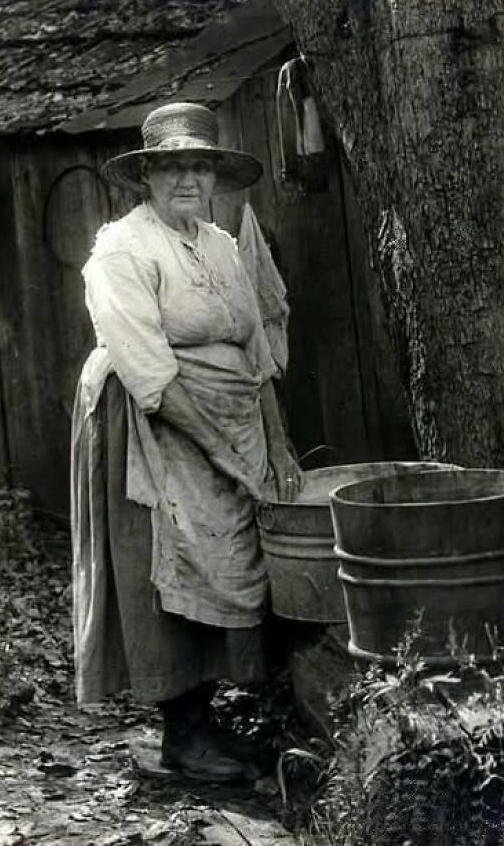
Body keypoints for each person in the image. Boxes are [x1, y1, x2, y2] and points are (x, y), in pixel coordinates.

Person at [70, 102, 302, 783]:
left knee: (229, 555)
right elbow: (150, 369)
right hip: (150, 419)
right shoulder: (122, 250)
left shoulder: (224, 246)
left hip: (231, 416)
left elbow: (257, 355)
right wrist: (221, 450)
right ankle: (183, 734)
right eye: (170, 166)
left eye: (197, 165)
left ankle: (217, 718)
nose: (186, 180)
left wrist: (275, 447)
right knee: (168, 561)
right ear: (147, 176)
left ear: (213, 177)